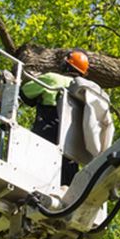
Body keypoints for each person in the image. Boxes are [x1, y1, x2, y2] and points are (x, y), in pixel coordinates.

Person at [20, 49, 90, 185]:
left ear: (65, 65)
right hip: (71, 153)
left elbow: (25, 94)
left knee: (34, 184)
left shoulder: (53, 78)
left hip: (46, 140)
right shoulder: (86, 93)